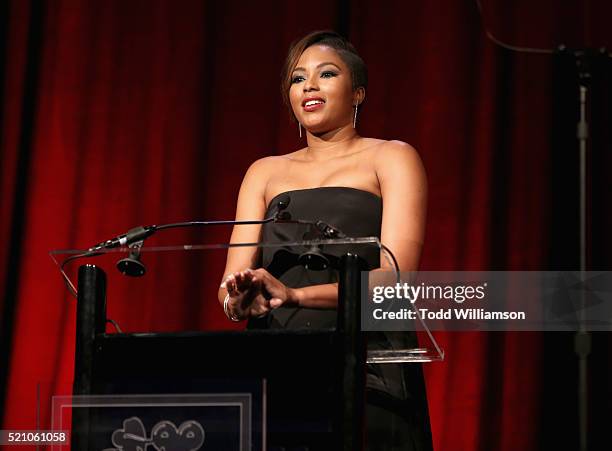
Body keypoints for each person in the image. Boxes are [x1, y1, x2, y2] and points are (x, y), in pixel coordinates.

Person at [218, 30, 432, 451]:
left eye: (326, 74)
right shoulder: (263, 172)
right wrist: (239, 299)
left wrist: (294, 294)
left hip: (368, 365)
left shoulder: (391, 157)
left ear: (358, 93)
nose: (309, 86)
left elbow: (396, 280)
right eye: (298, 79)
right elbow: (228, 288)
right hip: (276, 367)